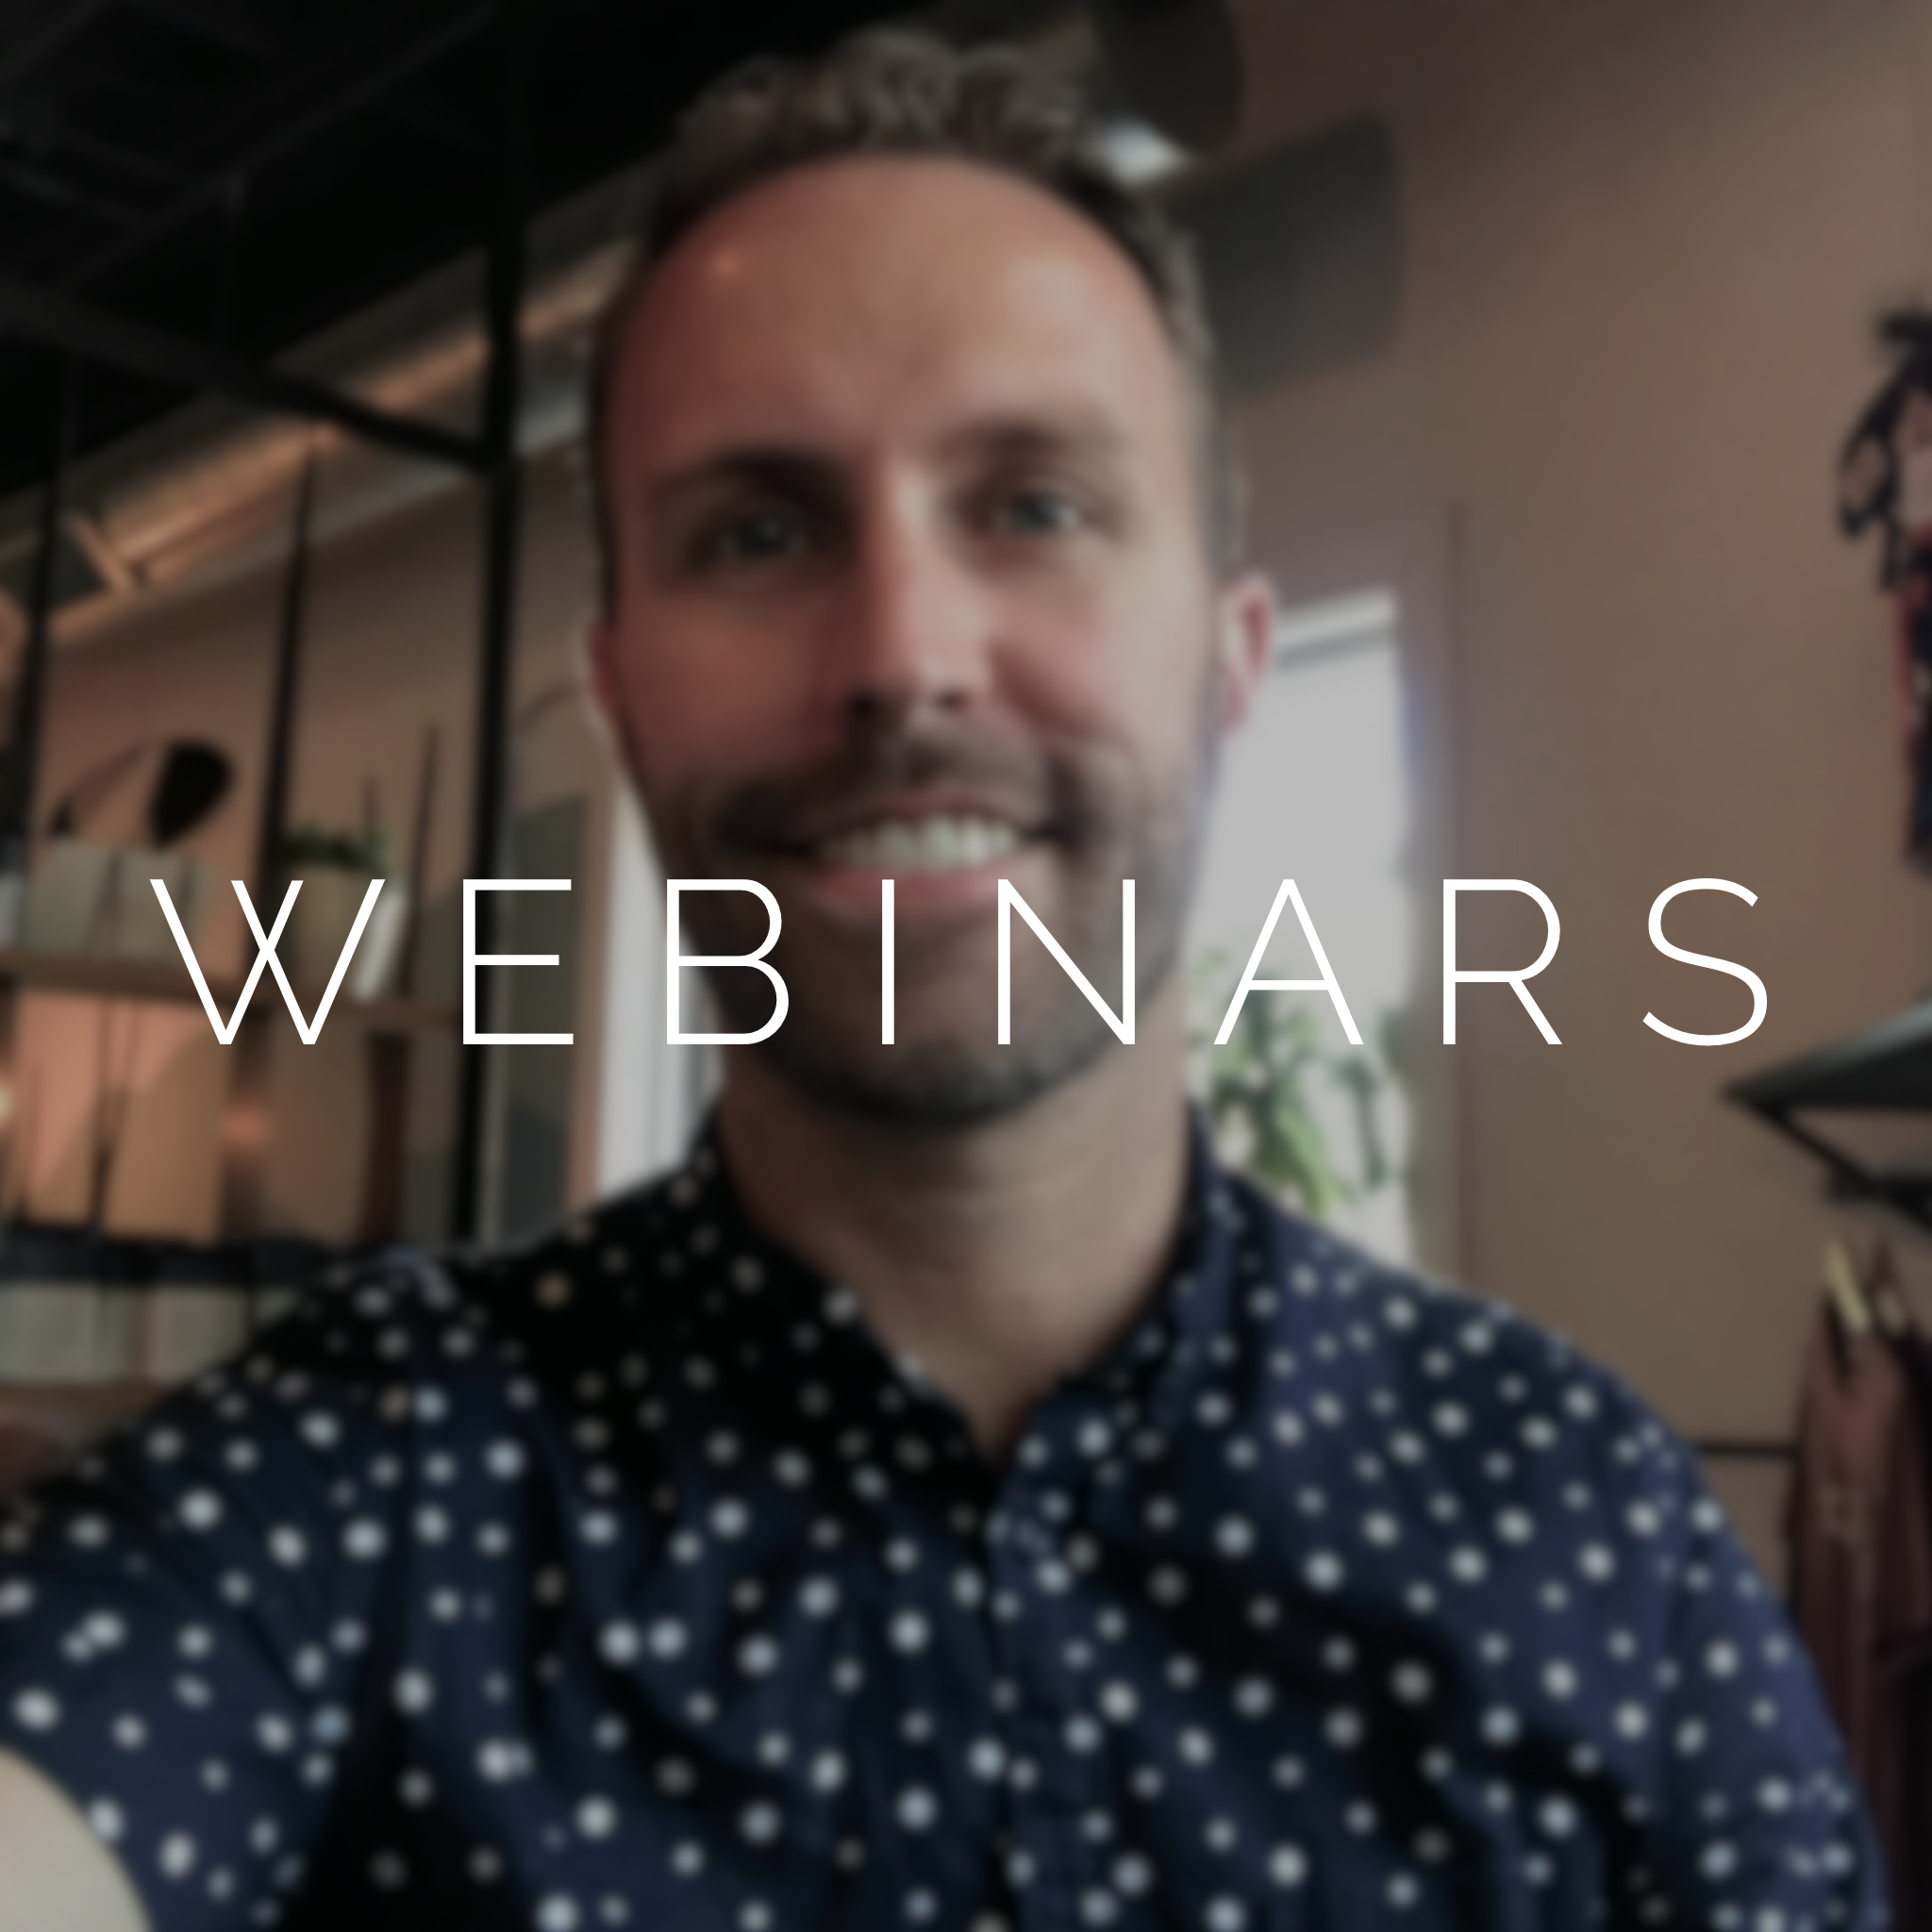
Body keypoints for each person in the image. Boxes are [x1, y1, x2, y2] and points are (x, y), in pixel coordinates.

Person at [0, 29, 1882, 1932]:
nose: (903, 655)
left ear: (1231, 667)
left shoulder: (1588, 1533)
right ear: (622, 698)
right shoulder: (350, 1480)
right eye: (759, 530)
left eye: (1036, 506)